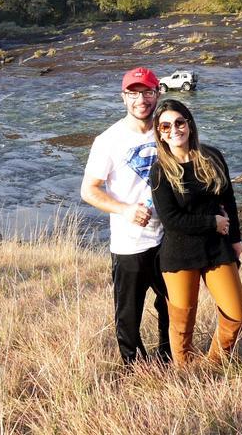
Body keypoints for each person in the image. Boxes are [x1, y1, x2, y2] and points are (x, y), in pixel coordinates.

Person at [149, 99, 242, 367]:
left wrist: (235, 239)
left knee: (237, 313)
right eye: (166, 125)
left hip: (216, 249)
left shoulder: (212, 156)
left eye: (179, 122)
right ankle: (185, 372)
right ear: (159, 132)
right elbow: (171, 219)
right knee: (183, 324)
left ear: (189, 124)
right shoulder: (160, 171)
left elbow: (229, 200)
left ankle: (213, 363)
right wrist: (212, 223)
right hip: (180, 253)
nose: (174, 130)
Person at [81, 67, 172, 365]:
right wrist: (125, 210)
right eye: (133, 93)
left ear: (157, 93)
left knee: (173, 305)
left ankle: (168, 357)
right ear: (123, 98)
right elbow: (89, 190)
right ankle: (133, 369)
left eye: (147, 92)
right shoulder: (108, 140)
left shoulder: (168, 130)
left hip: (169, 237)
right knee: (128, 313)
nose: (141, 100)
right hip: (129, 243)